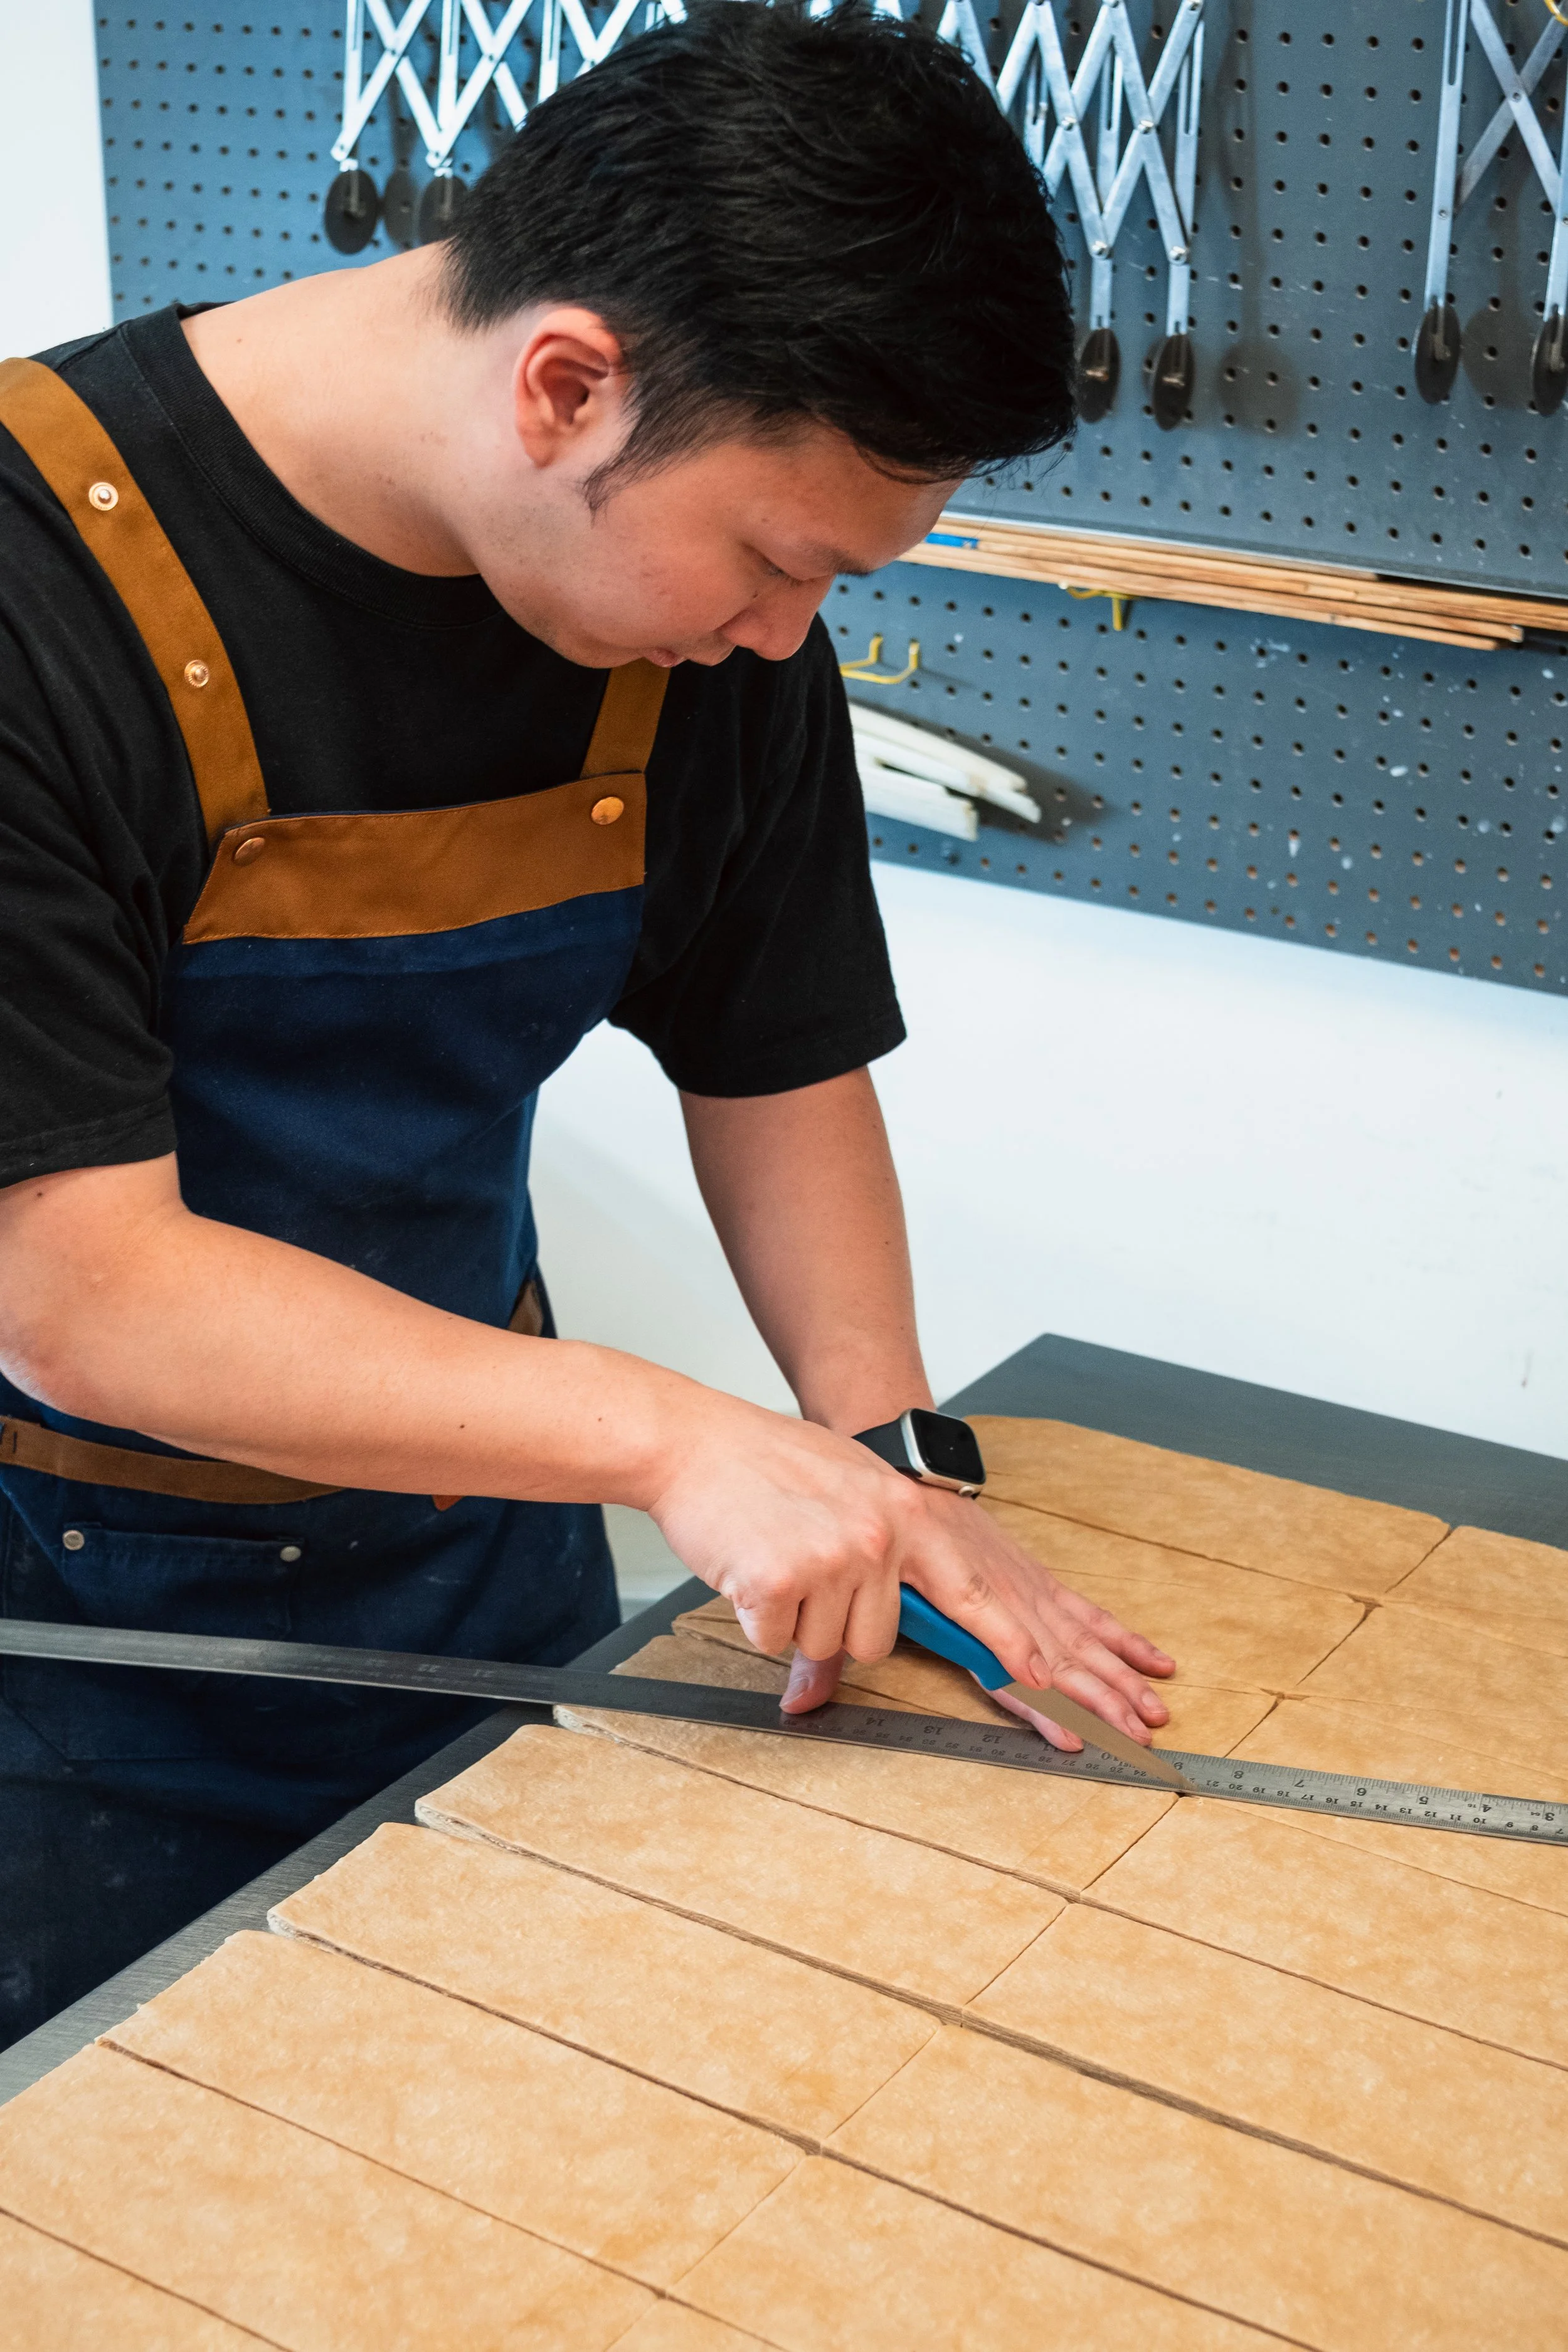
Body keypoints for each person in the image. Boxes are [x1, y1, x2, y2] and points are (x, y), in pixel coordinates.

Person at [0, 0, 1171, 2048]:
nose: (788, 639)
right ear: (564, 384)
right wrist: (667, 1435)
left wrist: (881, 1459)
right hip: (63, 1649)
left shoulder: (700, 614)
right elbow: (82, 1292)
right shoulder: (31, 596)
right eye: (780, 560)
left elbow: (776, 1048)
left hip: (481, 1573)